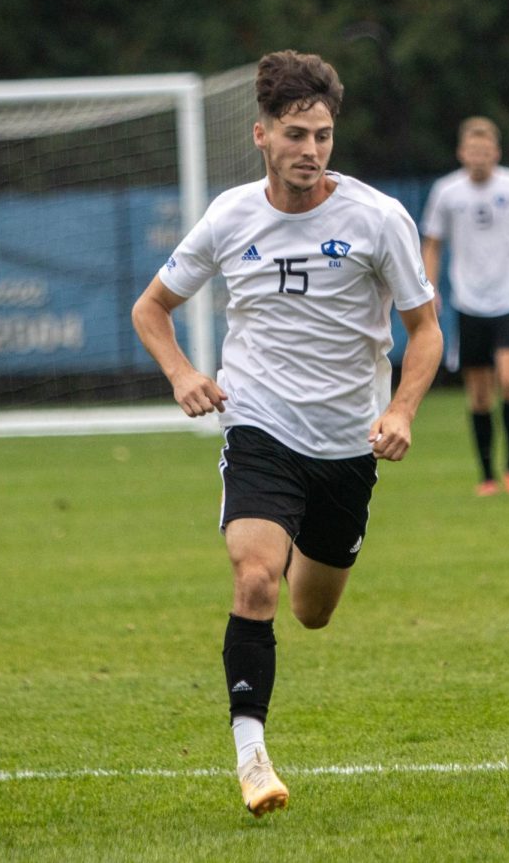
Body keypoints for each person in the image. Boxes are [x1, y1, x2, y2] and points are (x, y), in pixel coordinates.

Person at [131, 50, 442, 817]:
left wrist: (399, 409)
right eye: (296, 134)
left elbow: (426, 331)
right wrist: (183, 374)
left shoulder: (376, 218)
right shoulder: (231, 215)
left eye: (324, 136)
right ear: (261, 134)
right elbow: (151, 308)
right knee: (255, 579)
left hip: (346, 446)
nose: (311, 150)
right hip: (260, 425)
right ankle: (253, 760)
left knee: (311, 608)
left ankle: (305, 540)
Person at [420, 117, 509, 497]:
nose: (479, 158)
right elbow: (432, 243)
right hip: (469, 300)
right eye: (472, 151)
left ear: (496, 152)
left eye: (486, 151)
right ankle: (487, 475)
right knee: (479, 393)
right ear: (462, 153)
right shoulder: (447, 192)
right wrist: (427, 286)